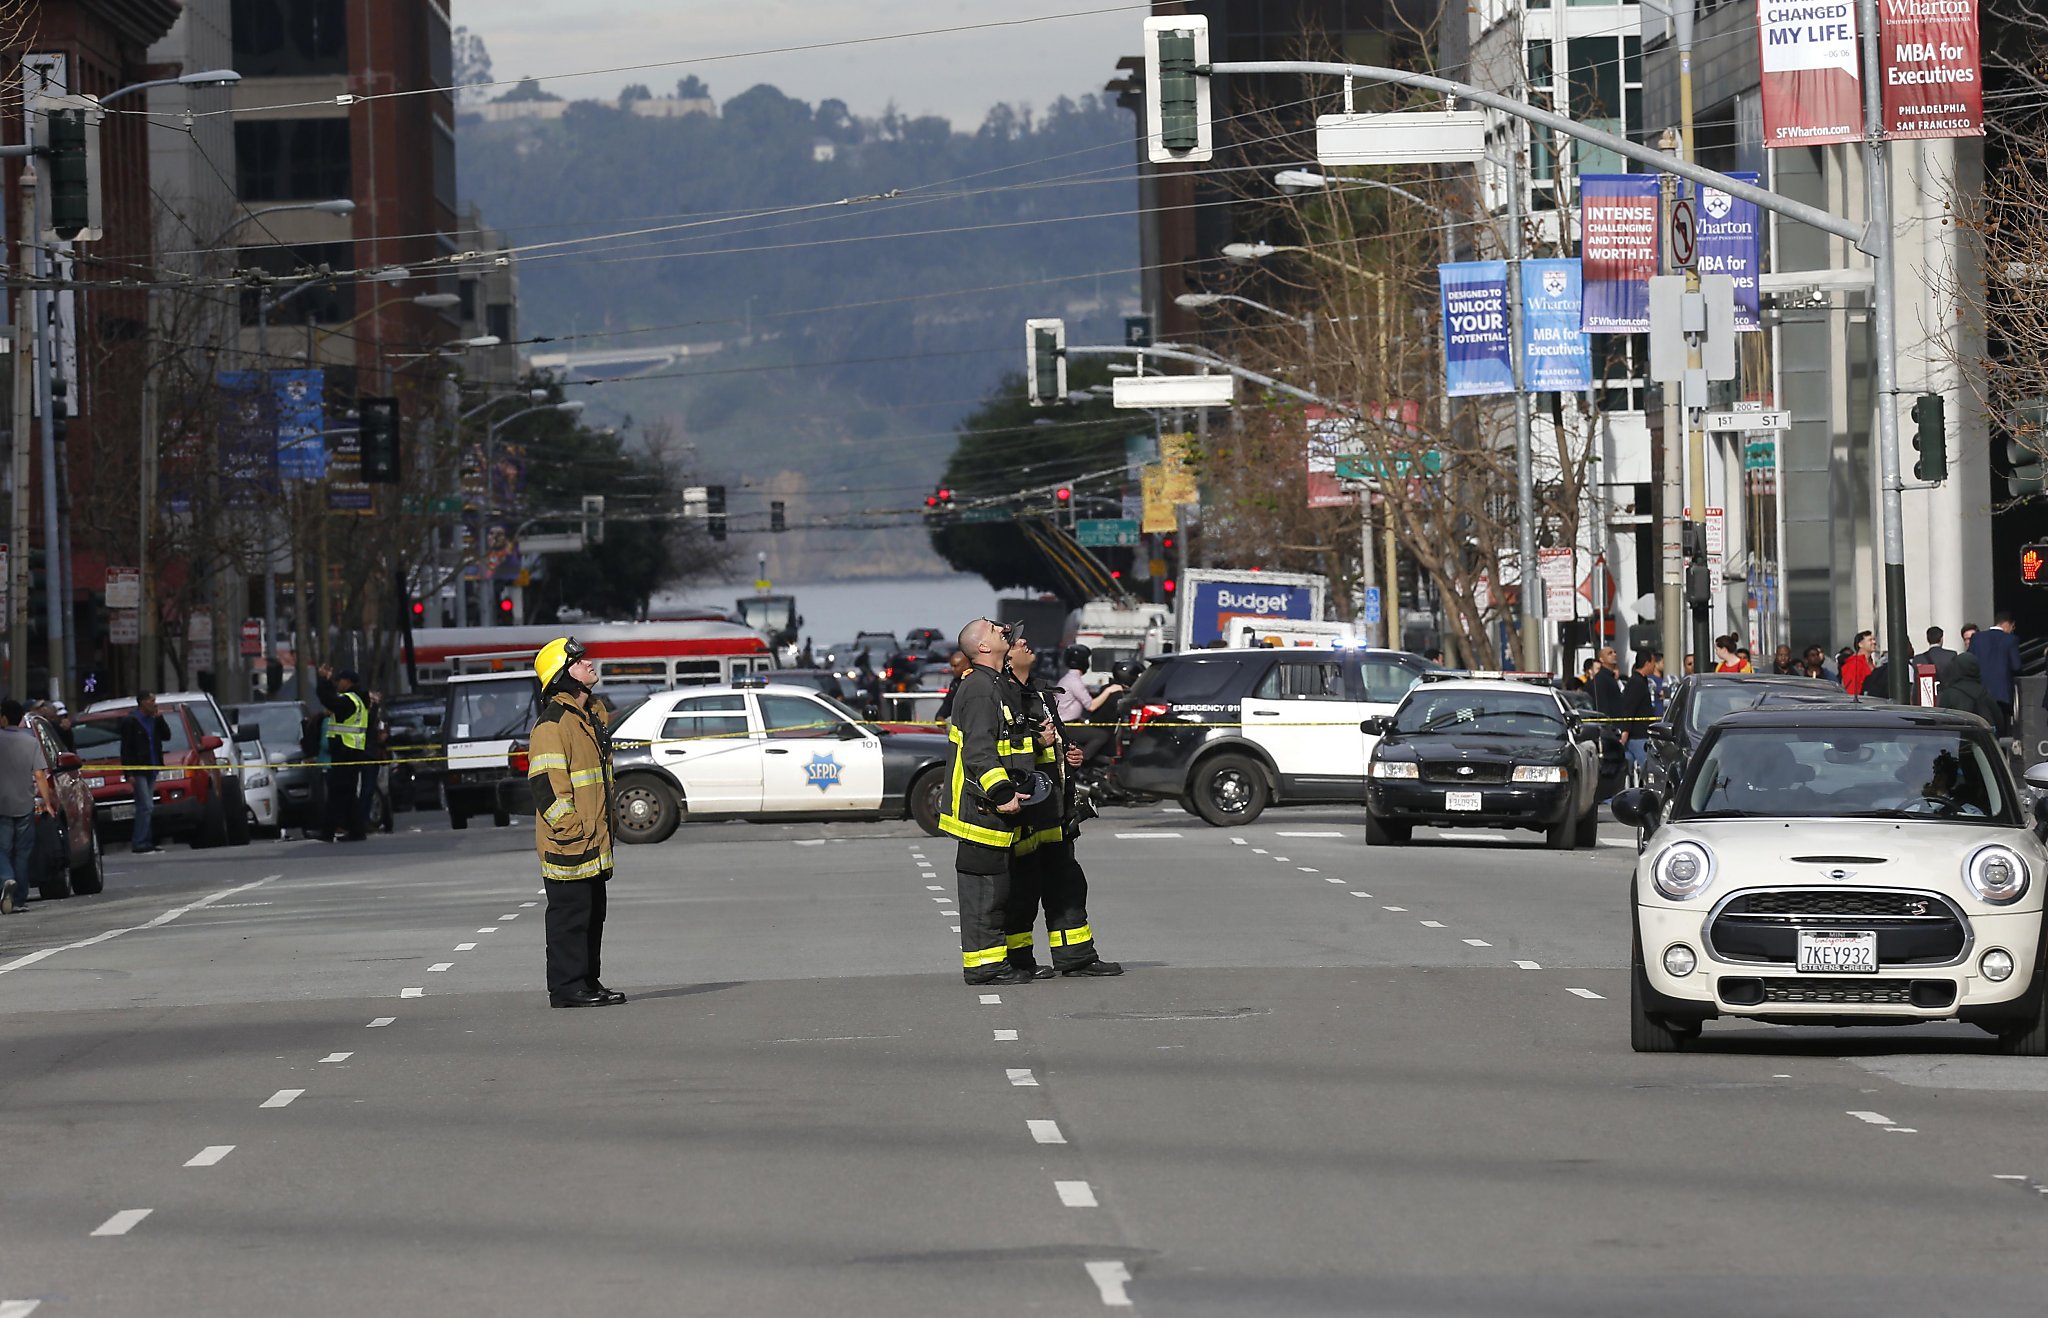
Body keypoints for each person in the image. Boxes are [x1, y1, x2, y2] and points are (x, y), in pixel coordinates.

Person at [1001, 632, 1122, 979]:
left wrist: (1071, 756)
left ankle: (1076, 958)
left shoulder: (1041, 692)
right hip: (1024, 812)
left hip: (1054, 810)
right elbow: (1000, 751)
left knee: (1067, 885)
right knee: (1023, 889)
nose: (1025, 643)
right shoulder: (1002, 696)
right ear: (1006, 659)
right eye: (1015, 643)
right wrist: (1036, 742)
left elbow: (1058, 741)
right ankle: (1019, 961)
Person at [939, 618, 1039, 987]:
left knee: (1000, 891)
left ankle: (1001, 962)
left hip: (999, 809)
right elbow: (980, 753)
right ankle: (984, 967)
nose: (1001, 630)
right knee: (984, 892)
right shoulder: (981, 690)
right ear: (982, 647)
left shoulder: (996, 685)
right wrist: (1001, 793)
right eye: (992, 629)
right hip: (981, 810)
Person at [528, 636, 624, 1009]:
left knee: (591, 913)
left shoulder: (588, 718)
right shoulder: (553, 724)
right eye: (579, 662)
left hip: (593, 839)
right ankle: (567, 988)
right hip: (570, 841)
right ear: (563, 677)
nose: (588, 665)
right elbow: (545, 787)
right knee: (570, 915)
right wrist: (572, 829)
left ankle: (587, 980)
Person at [0, 700, 54, 914]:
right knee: (22, 853)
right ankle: (19, 899)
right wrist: (47, 803)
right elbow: (39, 774)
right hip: (24, 803)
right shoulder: (30, 742)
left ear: (4, 717)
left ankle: (5, 878)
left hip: (1, 805)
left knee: (2, 849)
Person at [1053, 645, 1124, 767]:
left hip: (1069, 723)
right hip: (1066, 726)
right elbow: (1091, 706)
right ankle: (1083, 762)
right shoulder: (1074, 681)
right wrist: (1110, 690)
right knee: (1101, 735)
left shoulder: (1068, 678)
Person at [119, 692, 172, 855]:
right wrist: (129, 773)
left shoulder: (153, 720)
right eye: (151, 701)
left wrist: (159, 718)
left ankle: (147, 841)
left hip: (152, 766)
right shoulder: (131, 721)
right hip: (139, 768)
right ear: (142, 702)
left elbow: (166, 736)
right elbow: (126, 748)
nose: (154, 704)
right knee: (145, 805)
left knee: (147, 806)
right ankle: (140, 842)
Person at [1968, 611, 2021, 734]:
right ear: (2008, 624)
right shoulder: (2011, 640)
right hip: (2002, 694)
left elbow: (1970, 661)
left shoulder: (1977, 638)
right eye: (2012, 627)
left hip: (1980, 692)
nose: (2012, 630)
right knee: (2001, 732)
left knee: (1982, 729)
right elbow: (2016, 666)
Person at [1936, 651, 2002, 728]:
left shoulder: (1949, 694)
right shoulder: (1984, 693)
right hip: (1979, 738)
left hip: (1956, 738)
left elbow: (1940, 723)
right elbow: (1999, 721)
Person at [1618, 651, 1661, 767]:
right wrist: (1624, 734)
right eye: (1653, 663)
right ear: (1647, 663)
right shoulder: (1636, 683)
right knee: (1649, 769)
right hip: (1638, 737)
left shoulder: (1642, 681)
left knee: (1631, 769)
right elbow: (1629, 708)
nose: (1654, 666)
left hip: (1641, 735)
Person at [932, 649, 972, 722]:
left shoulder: (976, 681)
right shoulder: (955, 683)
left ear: (967, 665)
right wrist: (940, 716)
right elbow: (949, 702)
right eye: (951, 666)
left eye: (956, 666)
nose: (952, 669)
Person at [1839, 631, 1877, 696]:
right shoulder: (1853, 664)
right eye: (1870, 640)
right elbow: (1851, 690)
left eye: (1874, 639)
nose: (1874, 642)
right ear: (1860, 644)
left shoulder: (1871, 662)